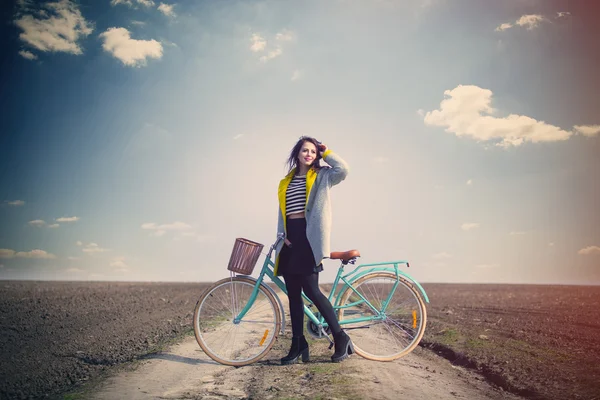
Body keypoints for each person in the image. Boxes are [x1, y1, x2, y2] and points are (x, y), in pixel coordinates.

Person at [274, 136, 353, 364]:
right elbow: (284, 214)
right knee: (293, 296)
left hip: (309, 239)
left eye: (312, 151)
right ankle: (298, 343)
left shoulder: (322, 176)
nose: (308, 154)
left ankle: (341, 337)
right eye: (304, 150)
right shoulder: (285, 182)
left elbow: (344, 169)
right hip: (290, 240)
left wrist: (326, 151)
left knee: (312, 291)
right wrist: (284, 238)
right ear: (297, 153)